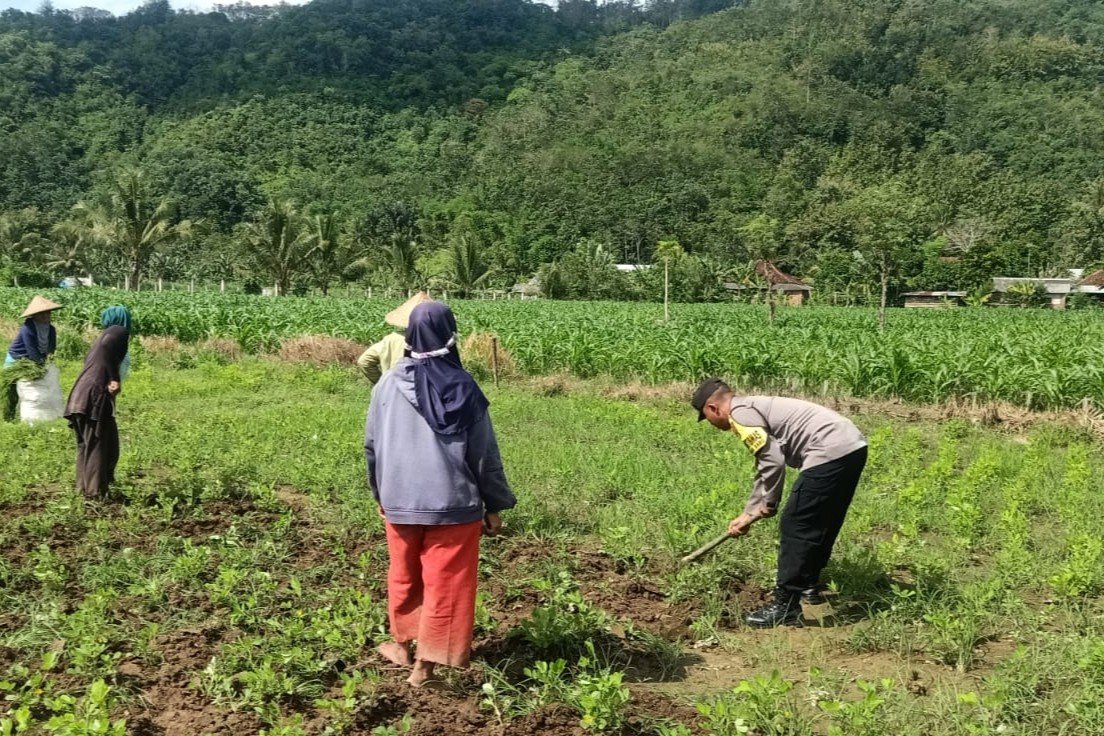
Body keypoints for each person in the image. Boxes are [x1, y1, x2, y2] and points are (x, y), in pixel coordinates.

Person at [365, 300, 515, 686]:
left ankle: (402, 644)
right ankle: (425, 666)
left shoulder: (386, 383)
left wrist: (380, 494)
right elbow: (483, 455)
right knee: (446, 582)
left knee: (404, 575)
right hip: (453, 505)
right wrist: (495, 503)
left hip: (398, 502)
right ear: (451, 335)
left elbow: (372, 446)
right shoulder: (464, 387)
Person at [692, 378, 868, 627]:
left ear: (712, 409)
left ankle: (785, 605)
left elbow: (773, 462)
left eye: (706, 418)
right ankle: (808, 586)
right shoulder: (752, 406)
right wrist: (751, 511)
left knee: (796, 525)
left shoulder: (739, 415)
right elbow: (764, 465)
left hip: (829, 449)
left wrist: (767, 506)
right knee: (821, 520)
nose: (711, 424)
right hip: (852, 446)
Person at [64, 306, 132, 500]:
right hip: (93, 397)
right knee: (96, 444)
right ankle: (94, 495)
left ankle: (85, 490)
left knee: (94, 445)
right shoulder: (118, 332)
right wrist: (114, 378)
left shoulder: (100, 340)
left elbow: (105, 354)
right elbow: (108, 349)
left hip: (80, 396)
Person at [4, 295, 62, 420]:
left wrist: (48, 361)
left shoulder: (51, 329)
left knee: (35, 389)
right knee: (12, 391)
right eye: (42, 314)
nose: (45, 316)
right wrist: (40, 366)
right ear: (34, 315)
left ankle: (40, 415)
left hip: (36, 360)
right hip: (17, 359)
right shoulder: (28, 328)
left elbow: (51, 348)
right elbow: (31, 349)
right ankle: (9, 416)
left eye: (48, 313)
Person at [357, 292, 431, 385]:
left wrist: (381, 383)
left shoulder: (390, 339)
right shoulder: (434, 341)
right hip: (423, 392)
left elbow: (364, 361)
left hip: (392, 390)